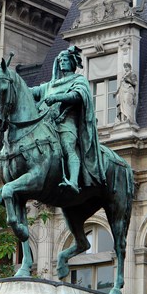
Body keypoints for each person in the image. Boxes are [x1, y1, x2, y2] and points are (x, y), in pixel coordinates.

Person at [31, 46, 104, 194]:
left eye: (65, 60)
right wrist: (11, 82)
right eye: (60, 61)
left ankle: (74, 182)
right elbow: (31, 91)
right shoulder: (50, 85)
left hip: (66, 122)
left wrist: (57, 97)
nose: (62, 63)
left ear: (72, 63)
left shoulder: (78, 80)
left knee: (68, 147)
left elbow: (77, 95)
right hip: (47, 124)